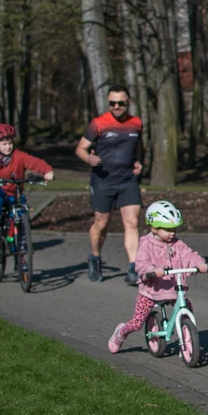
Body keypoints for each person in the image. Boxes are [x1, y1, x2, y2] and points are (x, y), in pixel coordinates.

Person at [108, 200, 208, 353]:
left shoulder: (177, 244)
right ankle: (120, 333)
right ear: (154, 228)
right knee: (137, 322)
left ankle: (186, 334)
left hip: (173, 288)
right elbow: (141, 262)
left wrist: (200, 264)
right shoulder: (147, 244)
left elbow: (189, 255)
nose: (172, 232)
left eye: (174, 228)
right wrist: (153, 270)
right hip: (151, 290)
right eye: (168, 229)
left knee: (187, 308)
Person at [76, 85, 144, 285]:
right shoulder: (98, 124)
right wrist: (89, 158)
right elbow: (80, 148)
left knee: (132, 223)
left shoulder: (136, 123)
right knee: (101, 224)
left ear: (128, 103)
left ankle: (133, 268)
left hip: (127, 180)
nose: (116, 107)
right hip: (103, 180)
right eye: (112, 103)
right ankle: (95, 258)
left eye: (120, 103)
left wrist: (138, 162)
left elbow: (138, 145)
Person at [0, 124, 54, 248]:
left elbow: (35, 162)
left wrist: (47, 171)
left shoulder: (19, 156)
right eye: (4, 144)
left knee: (21, 214)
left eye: (10, 143)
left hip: (15, 193)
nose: (8, 147)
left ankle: (21, 251)